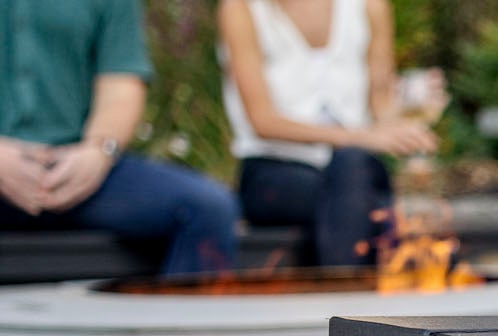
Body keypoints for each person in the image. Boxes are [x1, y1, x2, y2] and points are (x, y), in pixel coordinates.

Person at [0, 0, 240, 276]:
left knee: (208, 208)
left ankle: (182, 319)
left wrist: (99, 151)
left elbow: (121, 82)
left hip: (77, 167)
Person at [219, 0, 439, 268]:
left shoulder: (370, 6)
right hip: (275, 170)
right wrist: (358, 137)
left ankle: (343, 298)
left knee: (352, 173)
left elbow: (380, 104)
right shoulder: (242, 9)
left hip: (353, 167)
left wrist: (407, 109)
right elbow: (262, 121)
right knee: (365, 200)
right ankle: (358, 297)